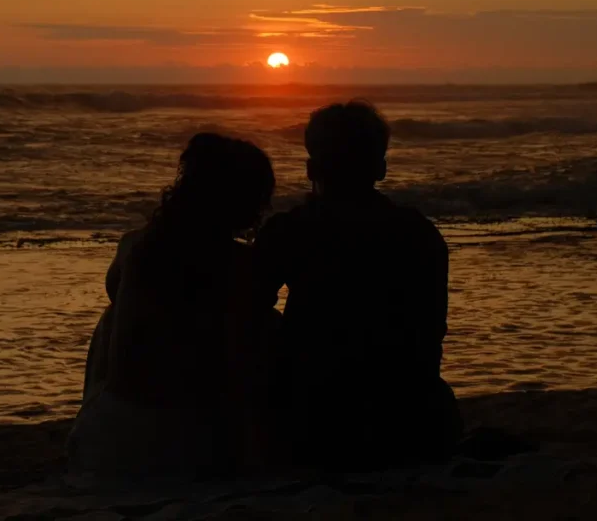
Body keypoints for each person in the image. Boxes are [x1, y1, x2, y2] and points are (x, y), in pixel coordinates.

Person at [254, 100, 461, 471]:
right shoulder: (418, 232)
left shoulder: (291, 231)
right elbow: (432, 331)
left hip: (317, 416)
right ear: (380, 169)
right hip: (416, 414)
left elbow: (244, 309)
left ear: (311, 168)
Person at [69, 133, 276, 477]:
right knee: (266, 323)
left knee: (111, 316)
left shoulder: (134, 245)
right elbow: (237, 359)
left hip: (104, 438)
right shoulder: (239, 263)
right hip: (181, 444)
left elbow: (116, 293)